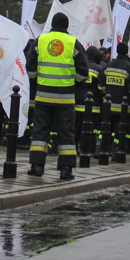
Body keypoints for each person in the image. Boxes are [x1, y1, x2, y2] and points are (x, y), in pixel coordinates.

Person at [25, 12, 88, 179]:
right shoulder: (73, 43)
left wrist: (38, 80)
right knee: (66, 132)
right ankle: (66, 170)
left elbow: (30, 68)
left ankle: (37, 166)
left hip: (43, 95)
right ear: (67, 27)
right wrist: (73, 83)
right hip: (65, 97)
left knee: (40, 131)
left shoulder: (41, 40)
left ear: (52, 25)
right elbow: (83, 72)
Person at [103, 42, 130, 158]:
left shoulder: (109, 65)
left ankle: (103, 148)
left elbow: (102, 84)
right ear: (127, 52)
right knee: (119, 129)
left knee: (107, 128)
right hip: (123, 106)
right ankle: (115, 149)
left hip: (108, 105)